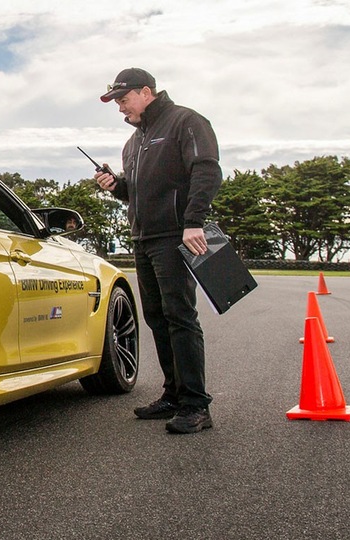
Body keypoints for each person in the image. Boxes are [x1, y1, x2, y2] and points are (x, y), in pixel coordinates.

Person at [94, 68, 222, 434]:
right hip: (144, 238)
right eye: (116, 102)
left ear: (146, 91)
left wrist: (193, 221)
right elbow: (136, 191)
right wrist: (115, 186)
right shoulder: (134, 142)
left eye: (123, 99)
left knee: (180, 316)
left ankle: (197, 405)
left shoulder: (186, 121)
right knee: (157, 317)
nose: (120, 108)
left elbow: (207, 171)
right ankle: (173, 395)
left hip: (175, 236)